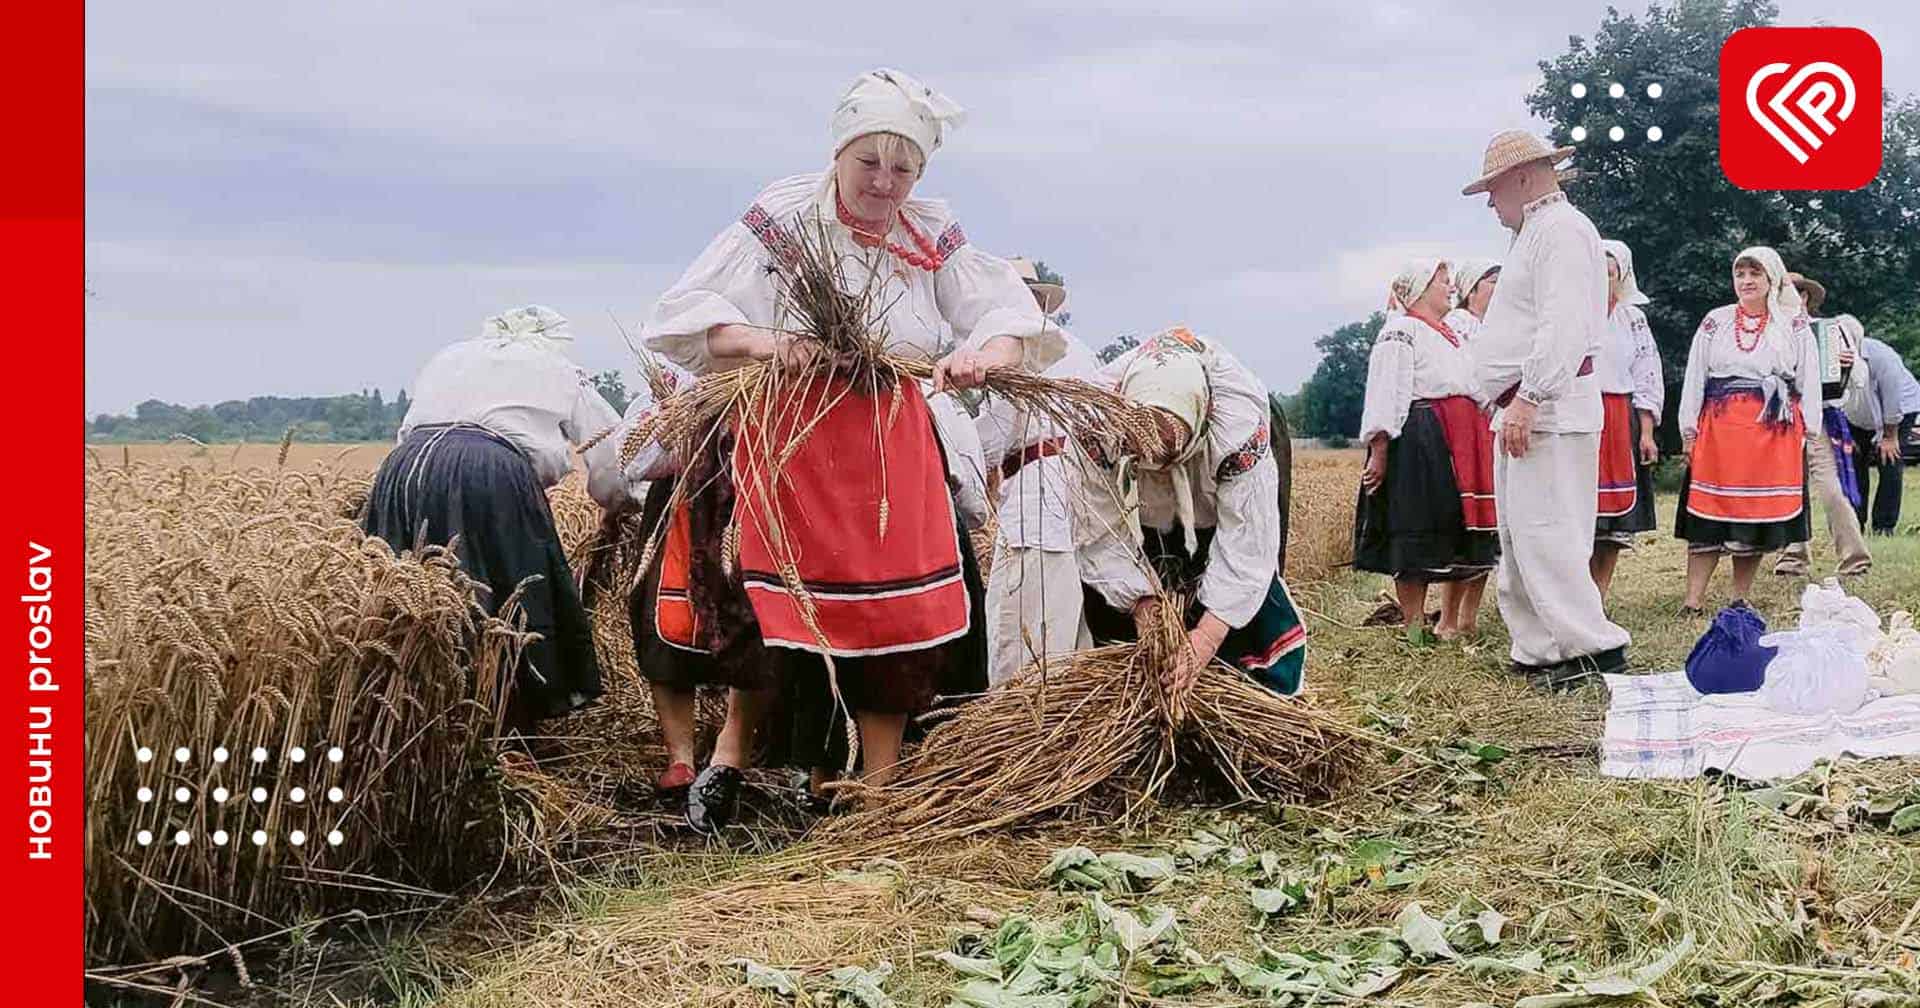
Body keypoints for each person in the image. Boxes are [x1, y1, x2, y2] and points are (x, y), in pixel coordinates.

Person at [636, 68, 1063, 830]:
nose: (885, 182)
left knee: (889, 615)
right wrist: (773, 342)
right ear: (839, 152)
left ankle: (879, 790)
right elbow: (685, 317)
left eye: (903, 168)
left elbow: (1003, 315)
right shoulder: (784, 214)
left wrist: (982, 357)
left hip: (886, 437)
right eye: (870, 162)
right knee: (765, 603)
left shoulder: (930, 232)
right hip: (788, 431)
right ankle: (730, 764)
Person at [363, 305, 624, 732]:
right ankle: (506, 720)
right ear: (554, 342)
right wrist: (616, 501)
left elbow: (409, 429)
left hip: (403, 467)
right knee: (512, 596)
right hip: (489, 468)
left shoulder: (450, 356)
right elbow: (611, 455)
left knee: (405, 595)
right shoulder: (559, 369)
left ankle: (410, 710)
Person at [1460, 129, 1630, 687]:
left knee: (1550, 533)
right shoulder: (1538, 232)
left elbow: (1565, 325)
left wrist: (1530, 396)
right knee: (1523, 536)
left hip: (1549, 409)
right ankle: (1539, 647)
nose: (1490, 202)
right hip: (1527, 408)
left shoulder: (1561, 230)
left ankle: (1586, 646)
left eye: (1494, 189)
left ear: (1524, 178)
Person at [1077, 326, 1307, 697]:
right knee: (1127, 650)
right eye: (1147, 455)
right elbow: (1099, 526)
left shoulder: (1238, 425)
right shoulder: (1099, 424)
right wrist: (1143, 606)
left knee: (1233, 643)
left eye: (1168, 454)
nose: (1160, 467)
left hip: (1215, 509)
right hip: (1141, 519)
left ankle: (1234, 686)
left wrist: (1205, 638)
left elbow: (1245, 542)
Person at [1353, 259, 1497, 643]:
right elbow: (1386, 391)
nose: (1451, 288)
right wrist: (1379, 451)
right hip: (1420, 437)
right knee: (1413, 531)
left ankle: (1448, 624)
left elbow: (1477, 385)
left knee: (1452, 531)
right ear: (1418, 290)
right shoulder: (1400, 331)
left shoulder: (1452, 334)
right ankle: (1414, 631)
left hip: (1459, 440)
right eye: (1443, 282)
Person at [1675, 247, 1820, 613]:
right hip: (1721, 428)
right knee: (1708, 514)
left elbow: (1808, 380)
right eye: (1740, 274)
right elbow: (1696, 376)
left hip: (1772, 430)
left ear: (1771, 278)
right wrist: (1688, 429)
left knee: (1755, 517)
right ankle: (1692, 600)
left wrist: (1809, 429)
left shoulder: (1793, 324)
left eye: (1755, 273)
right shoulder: (1715, 321)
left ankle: (1739, 598)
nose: (1747, 281)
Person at [976, 257, 1097, 685]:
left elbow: (987, 444)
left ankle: (1013, 745)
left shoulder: (1015, 359)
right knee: (1067, 653)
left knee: (1017, 655)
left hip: (1035, 514)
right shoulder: (1079, 350)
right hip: (1083, 512)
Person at [1773, 273, 1871, 577]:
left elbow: (1861, 378)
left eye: (1791, 293)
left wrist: (1848, 362)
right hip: (1782, 419)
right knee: (1786, 489)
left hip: (1823, 418)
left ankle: (1855, 559)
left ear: (1804, 297)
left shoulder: (1829, 330)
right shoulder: (1771, 332)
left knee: (1831, 489)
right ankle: (1792, 557)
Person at [1589, 239, 1663, 598]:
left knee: (1614, 524)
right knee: (1578, 516)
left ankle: (1598, 594)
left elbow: (1646, 372)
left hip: (1619, 417)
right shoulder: (1570, 312)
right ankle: (1576, 597)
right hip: (1580, 414)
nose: (1602, 277)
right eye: (1595, 269)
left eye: (1609, 271)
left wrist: (1646, 431)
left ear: (1621, 275)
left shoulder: (1633, 318)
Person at [1843, 324, 1919, 533]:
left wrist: (1889, 437)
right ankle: (1855, 524)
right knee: (1854, 462)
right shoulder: (1829, 360)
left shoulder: (1882, 357)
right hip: (1858, 412)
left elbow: (1892, 401)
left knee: (1889, 460)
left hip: (1900, 407)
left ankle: (1884, 526)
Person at [1445, 260, 1500, 341]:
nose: (1500, 286)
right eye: (1494, 281)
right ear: (1471, 291)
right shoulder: (1458, 321)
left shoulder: (1495, 325)